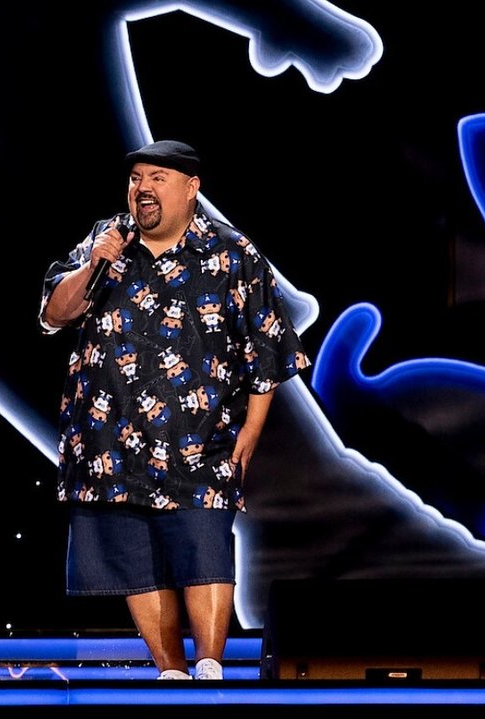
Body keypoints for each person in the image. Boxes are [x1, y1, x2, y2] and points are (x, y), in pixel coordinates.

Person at [39, 140, 310, 680]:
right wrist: (94, 266)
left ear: (192, 188)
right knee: (134, 559)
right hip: (109, 441)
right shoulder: (105, 240)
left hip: (200, 439)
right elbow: (54, 314)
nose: (143, 188)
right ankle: (171, 673)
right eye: (136, 178)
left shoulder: (232, 253)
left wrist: (253, 431)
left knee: (204, 550)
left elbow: (267, 349)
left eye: (158, 178)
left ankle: (209, 667)